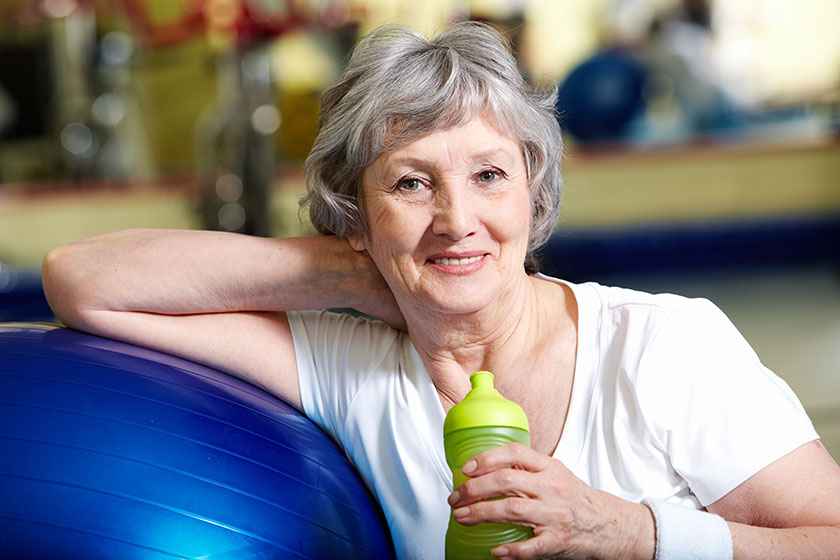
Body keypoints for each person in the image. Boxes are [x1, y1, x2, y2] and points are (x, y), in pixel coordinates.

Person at [42, 22, 840, 560]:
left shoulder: (663, 346)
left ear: (534, 190)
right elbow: (85, 280)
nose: (458, 221)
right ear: (355, 211)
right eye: (413, 184)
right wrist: (352, 270)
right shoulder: (346, 362)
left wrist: (633, 531)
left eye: (490, 175)